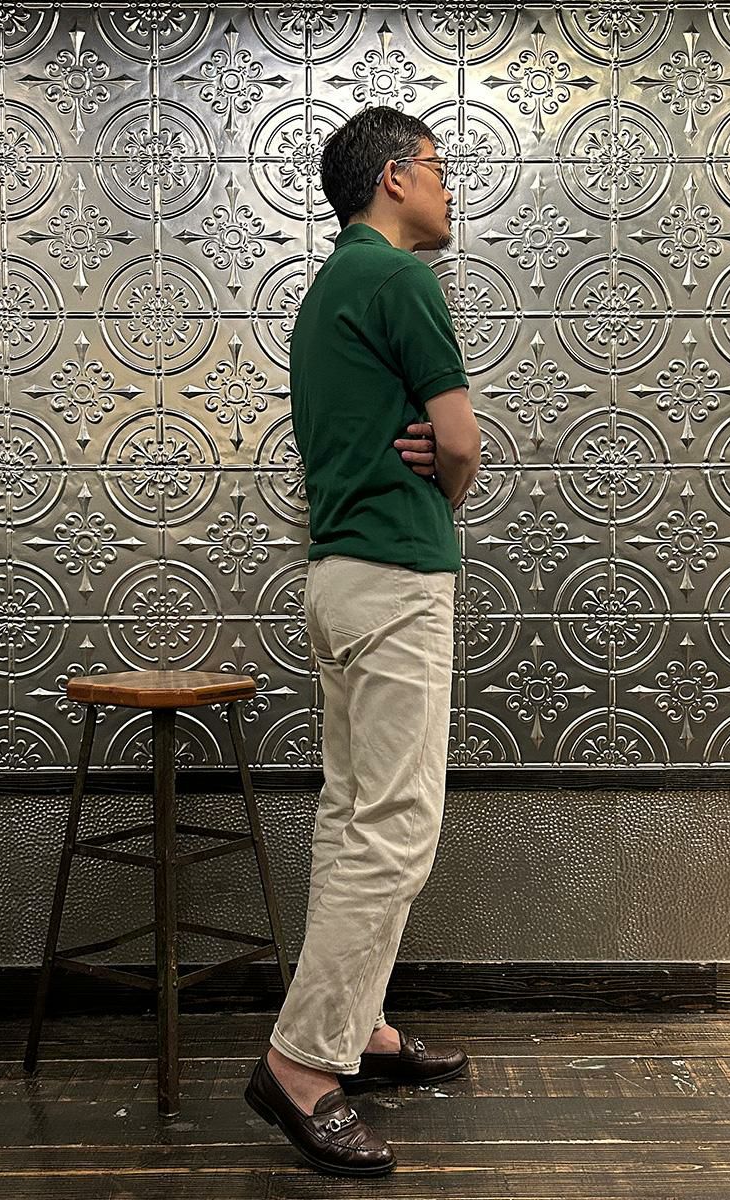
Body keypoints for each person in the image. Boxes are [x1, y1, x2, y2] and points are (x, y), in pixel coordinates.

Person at [243, 106, 482, 1177]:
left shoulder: (328, 290)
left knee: (350, 820)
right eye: (436, 166)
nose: (446, 185)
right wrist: (452, 479)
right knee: (396, 827)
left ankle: (361, 1026)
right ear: (393, 176)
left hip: (338, 580)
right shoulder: (401, 279)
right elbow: (459, 440)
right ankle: (301, 1066)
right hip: (395, 580)